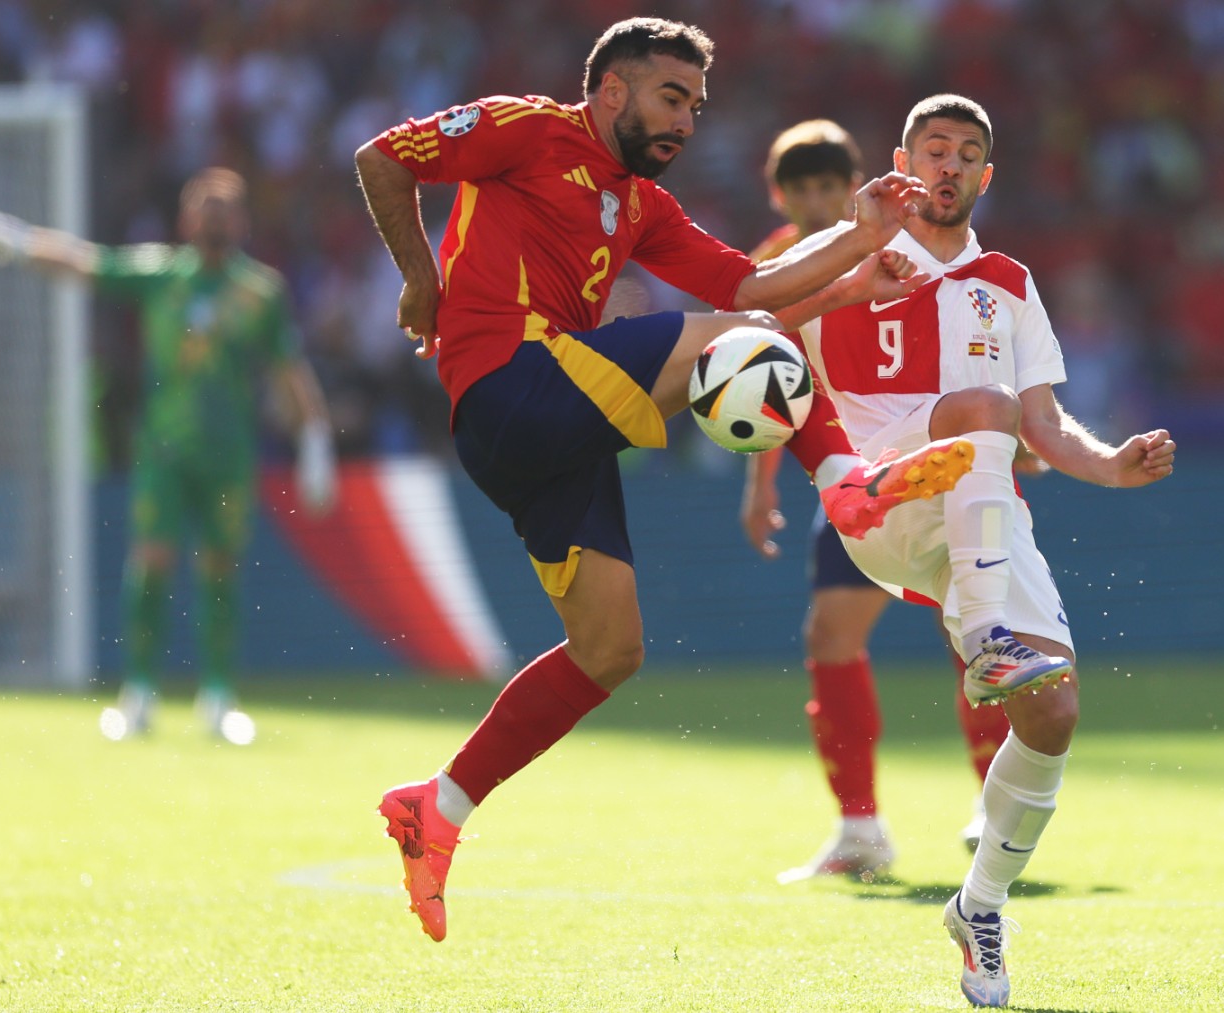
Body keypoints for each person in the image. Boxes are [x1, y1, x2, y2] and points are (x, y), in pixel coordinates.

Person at [352, 17, 979, 944]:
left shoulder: (640, 205)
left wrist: (859, 239)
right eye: (671, 97)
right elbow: (381, 158)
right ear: (612, 91)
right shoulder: (528, 128)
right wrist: (419, 282)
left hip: (545, 433)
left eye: (697, 103)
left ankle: (436, 808)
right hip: (511, 383)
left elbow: (749, 283)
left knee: (610, 649)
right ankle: (846, 485)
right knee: (746, 351)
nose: (686, 119)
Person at [780, 95, 1176, 1008]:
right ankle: (986, 646)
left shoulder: (1008, 281)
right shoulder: (849, 246)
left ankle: (980, 905)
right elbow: (751, 324)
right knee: (980, 410)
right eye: (934, 150)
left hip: (976, 510)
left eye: (966, 154)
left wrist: (1111, 467)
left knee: (1056, 713)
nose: (949, 165)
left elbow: (1044, 423)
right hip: (877, 497)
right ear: (902, 161)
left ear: (985, 177)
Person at [0, 168, 336, 745]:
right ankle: (140, 692)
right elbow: (82, 262)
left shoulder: (259, 292)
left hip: (228, 453)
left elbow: (287, 369)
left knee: (219, 567)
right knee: (152, 560)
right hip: (164, 449)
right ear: (185, 218)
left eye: (226, 206)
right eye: (205, 205)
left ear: (243, 221)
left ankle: (219, 697)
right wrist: (10, 237)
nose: (215, 215)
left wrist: (316, 438)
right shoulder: (158, 276)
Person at [738, 120, 1012, 884]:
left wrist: (1011, 427)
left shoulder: (911, 237)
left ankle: (998, 806)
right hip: (856, 476)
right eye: (805, 189)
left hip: (942, 459)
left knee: (977, 641)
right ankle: (860, 829)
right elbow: (765, 381)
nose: (821, 200)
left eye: (832, 185)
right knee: (830, 634)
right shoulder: (774, 267)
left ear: (857, 181)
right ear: (781, 195)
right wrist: (760, 486)